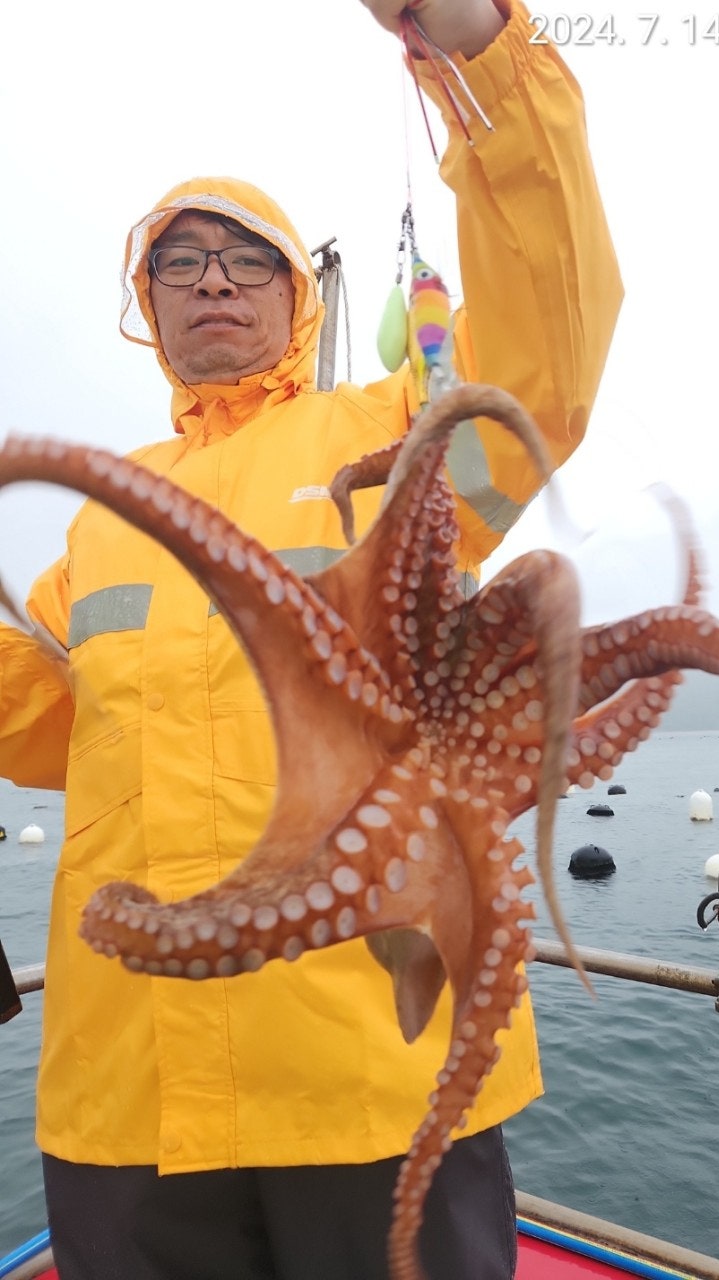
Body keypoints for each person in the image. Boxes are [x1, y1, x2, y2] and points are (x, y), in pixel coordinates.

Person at [0, 1, 622, 1276]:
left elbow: (545, 361)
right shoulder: (99, 526)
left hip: (375, 1078)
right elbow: (45, 729)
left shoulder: (392, 434)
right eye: (180, 262)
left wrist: (477, 57)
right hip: (129, 1097)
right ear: (146, 305)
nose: (213, 280)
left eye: (248, 258)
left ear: (295, 294)